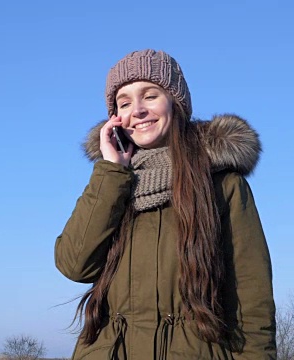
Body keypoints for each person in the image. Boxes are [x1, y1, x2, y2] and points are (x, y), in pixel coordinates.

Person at [54, 49, 276, 359]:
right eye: (125, 103)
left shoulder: (222, 184)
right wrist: (110, 173)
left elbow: (252, 302)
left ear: (176, 102)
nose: (138, 111)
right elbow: (74, 265)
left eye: (150, 96)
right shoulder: (112, 183)